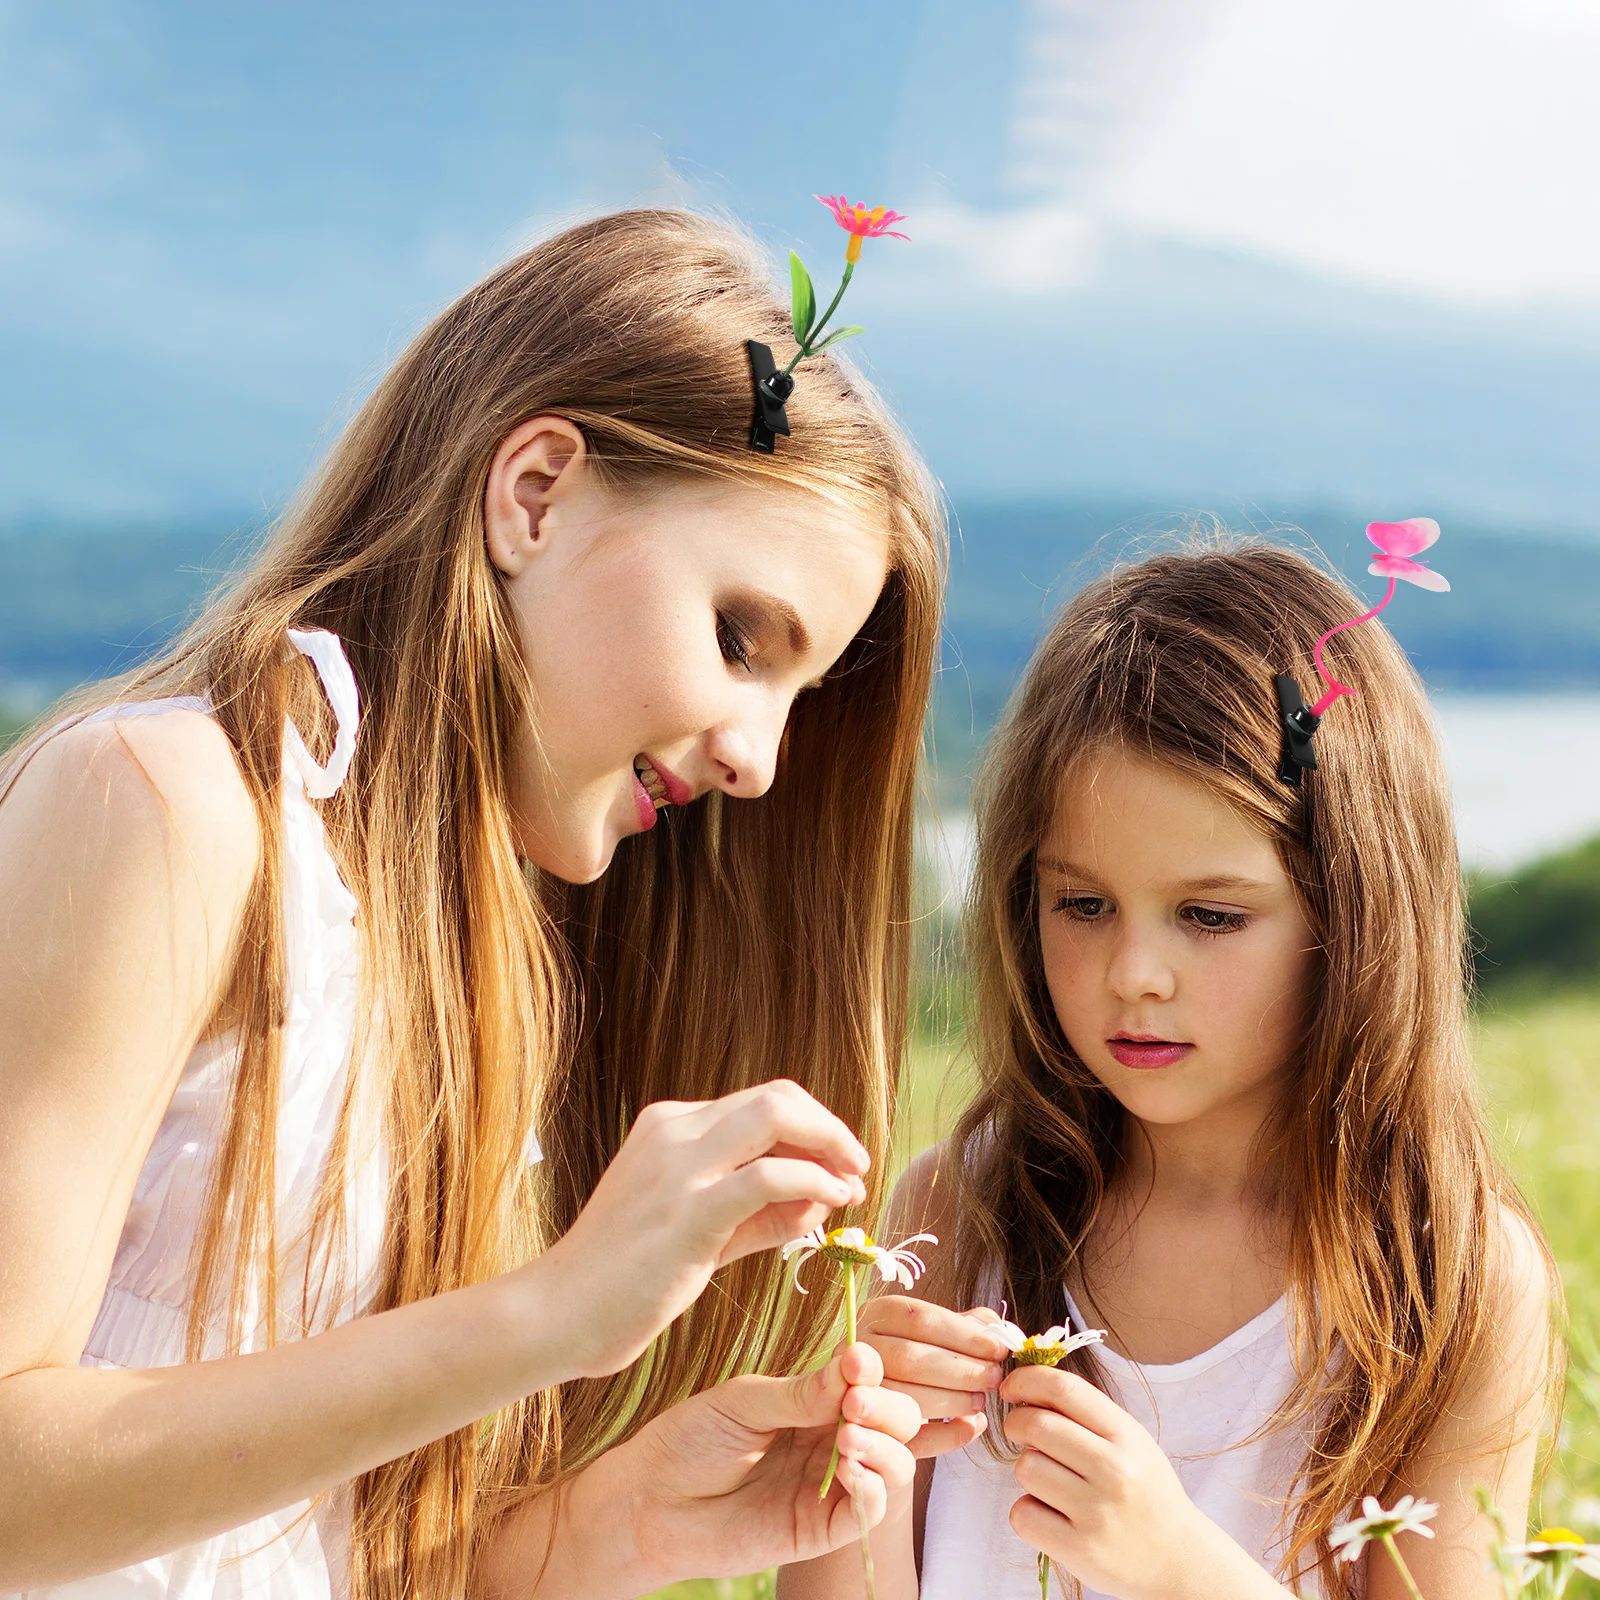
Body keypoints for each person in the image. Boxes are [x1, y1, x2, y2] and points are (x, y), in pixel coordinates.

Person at [0, 208, 944, 1599]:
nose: (758, 758)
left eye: (797, 699)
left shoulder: (475, 957)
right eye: (742, 637)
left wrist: (604, 1536)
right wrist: (550, 1317)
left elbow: (290, 1550)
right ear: (536, 494)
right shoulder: (171, 806)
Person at [780, 540, 1561, 1599]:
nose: (1133, 974)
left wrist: (1169, 1565)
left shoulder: (1445, 1278)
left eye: (1209, 915)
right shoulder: (965, 1207)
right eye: (1082, 904)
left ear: (1355, 918)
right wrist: (853, 1456)